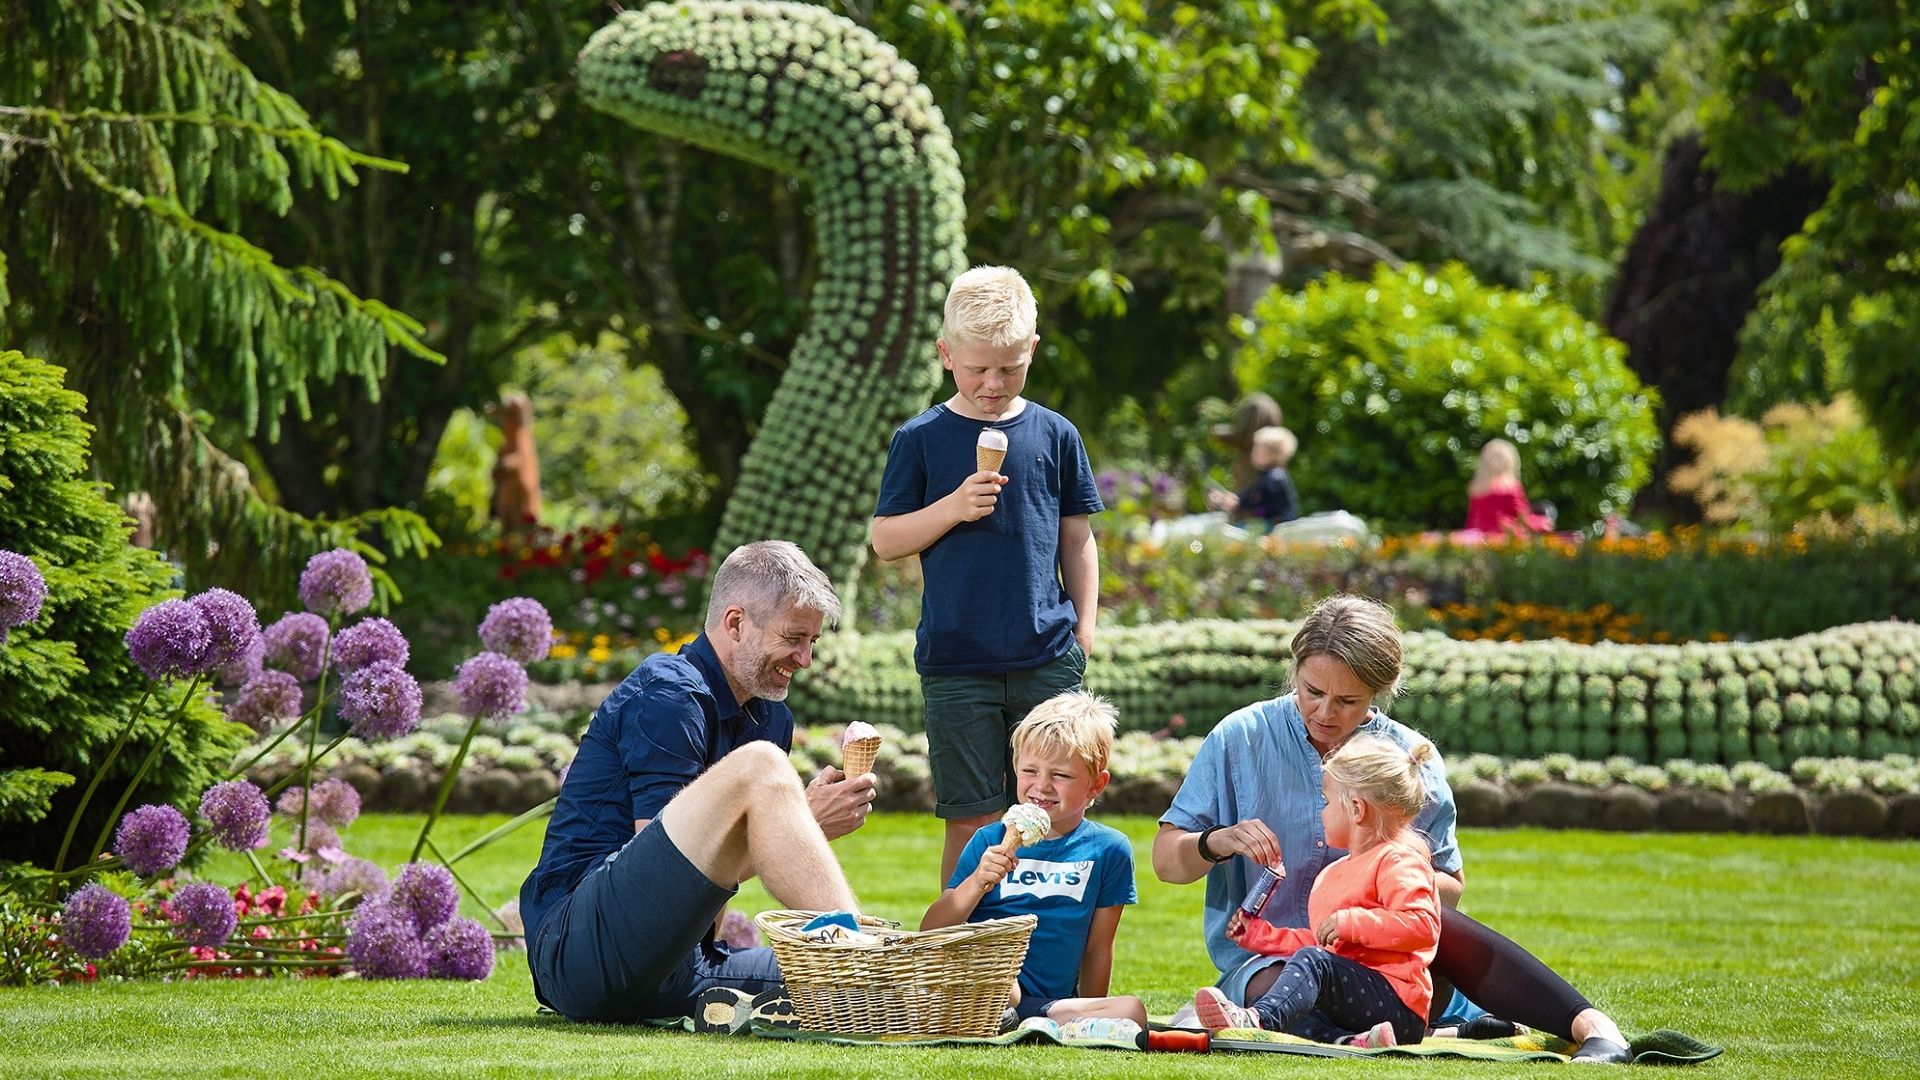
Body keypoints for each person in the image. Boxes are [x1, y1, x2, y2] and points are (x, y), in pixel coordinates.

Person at [1153, 595, 1635, 1064]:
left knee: (1440, 925)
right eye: (1312, 692)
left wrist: (1387, 876)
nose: (1325, 713)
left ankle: (1592, 1027)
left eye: (1348, 700)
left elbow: (1448, 890)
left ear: (1380, 693)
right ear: (1294, 671)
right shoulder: (1241, 737)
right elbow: (1165, 862)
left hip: (1391, 965)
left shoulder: (1408, 756)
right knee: (1294, 981)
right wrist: (1213, 842)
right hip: (1274, 965)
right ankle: (1430, 1029)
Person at [517, 540, 879, 1024]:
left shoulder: (771, 718)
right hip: (580, 954)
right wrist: (805, 822)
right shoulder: (670, 693)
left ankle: (913, 977)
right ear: (735, 623)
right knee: (763, 765)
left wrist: (791, 830)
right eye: (794, 638)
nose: (805, 658)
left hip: (678, 966)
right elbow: (665, 876)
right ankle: (867, 953)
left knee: (841, 988)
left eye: (812, 641)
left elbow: (699, 900)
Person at [872, 265, 1104, 885]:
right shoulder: (920, 438)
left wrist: (1083, 630)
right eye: (977, 369)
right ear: (947, 355)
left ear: (1032, 349)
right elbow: (885, 539)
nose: (993, 384)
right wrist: (953, 506)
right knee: (973, 821)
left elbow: (1077, 539)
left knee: (1053, 815)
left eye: (1009, 368)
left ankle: (1048, 943)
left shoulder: (1056, 434)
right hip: (957, 661)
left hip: (1046, 655)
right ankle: (960, 951)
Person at [1191, 734, 1442, 1049]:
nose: (1321, 811)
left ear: (1356, 809)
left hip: (1398, 1006)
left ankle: (1255, 1022)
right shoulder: (1334, 873)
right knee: (1297, 994)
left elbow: (1422, 926)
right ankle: (1351, 1042)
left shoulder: (1398, 860)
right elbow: (1319, 941)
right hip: (1358, 1007)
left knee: (1313, 965)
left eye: (1326, 801)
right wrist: (1259, 936)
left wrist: (1352, 922)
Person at [921, 691, 1146, 1026]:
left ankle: (1022, 1021)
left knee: (1131, 1012)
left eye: (1061, 775)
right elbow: (931, 931)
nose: (1042, 786)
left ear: (1096, 785)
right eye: (1030, 771)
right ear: (1015, 769)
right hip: (985, 984)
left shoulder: (1109, 849)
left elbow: (1098, 948)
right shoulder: (989, 839)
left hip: (1047, 1003)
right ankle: (1000, 1014)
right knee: (1005, 985)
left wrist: (1093, 1015)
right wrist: (976, 883)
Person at [1206, 425, 1300, 525]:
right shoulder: (1267, 475)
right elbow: (1251, 494)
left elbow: (1259, 499)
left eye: (1257, 449)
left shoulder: (1274, 477)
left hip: (1278, 524)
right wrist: (1236, 499)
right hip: (1272, 522)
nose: (1253, 453)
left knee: (1241, 528)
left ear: (1272, 453)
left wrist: (1239, 502)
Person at [1464, 438, 1552, 535]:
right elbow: (1523, 518)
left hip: (1480, 537)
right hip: (1505, 539)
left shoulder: (1477, 488)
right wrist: (1541, 522)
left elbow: (1472, 519)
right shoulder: (1510, 487)